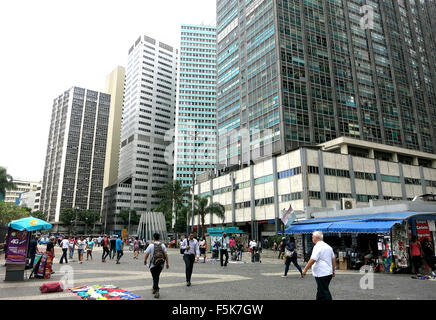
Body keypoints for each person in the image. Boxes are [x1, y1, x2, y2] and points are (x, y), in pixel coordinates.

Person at [302, 231, 336, 300]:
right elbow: (333, 258)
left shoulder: (317, 247)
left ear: (316, 238)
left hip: (321, 273)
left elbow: (313, 259)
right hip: (328, 272)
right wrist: (333, 270)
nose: (312, 239)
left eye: (312, 237)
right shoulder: (328, 247)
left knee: (324, 291)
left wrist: (305, 269)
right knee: (321, 290)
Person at [144, 233, 169, 298]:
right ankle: (154, 288)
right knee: (156, 276)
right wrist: (167, 263)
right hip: (161, 264)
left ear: (154, 238)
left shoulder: (151, 245)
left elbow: (147, 254)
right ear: (159, 237)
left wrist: (145, 260)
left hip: (153, 264)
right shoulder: (162, 245)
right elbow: (166, 254)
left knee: (155, 277)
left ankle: (156, 290)